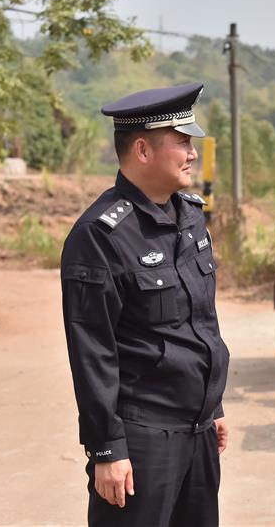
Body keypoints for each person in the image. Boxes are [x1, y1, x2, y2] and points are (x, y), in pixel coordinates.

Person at [60, 82, 230, 527]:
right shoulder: (100, 235)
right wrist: (107, 449)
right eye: (182, 141)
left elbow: (201, 322)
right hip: (143, 438)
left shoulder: (190, 215)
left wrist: (213, 407)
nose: (192, 152)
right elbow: (92, 350)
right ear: (142, 149)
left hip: (198, 432)